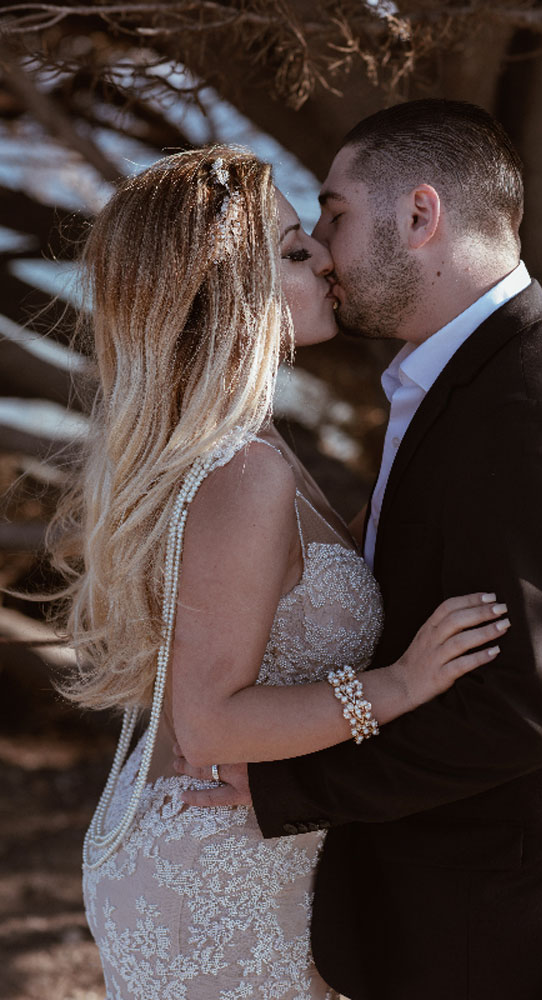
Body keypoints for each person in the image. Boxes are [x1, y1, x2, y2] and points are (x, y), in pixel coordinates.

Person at [176, 102, 542, 1000]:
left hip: (516, 929)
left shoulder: (534, 405)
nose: (322, 245)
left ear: (420, 216)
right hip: (436, 907)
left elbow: (517, 710)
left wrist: (292, 786)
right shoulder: (447, 379)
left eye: (335, 212)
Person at [48, 145, 509, 1000]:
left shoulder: (251, 451)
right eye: (296, 251)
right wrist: (401, 686)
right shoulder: (241, 472)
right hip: (219, 883)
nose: (329, 260)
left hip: (251, 859)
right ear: (231, 291)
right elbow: (209, 725)